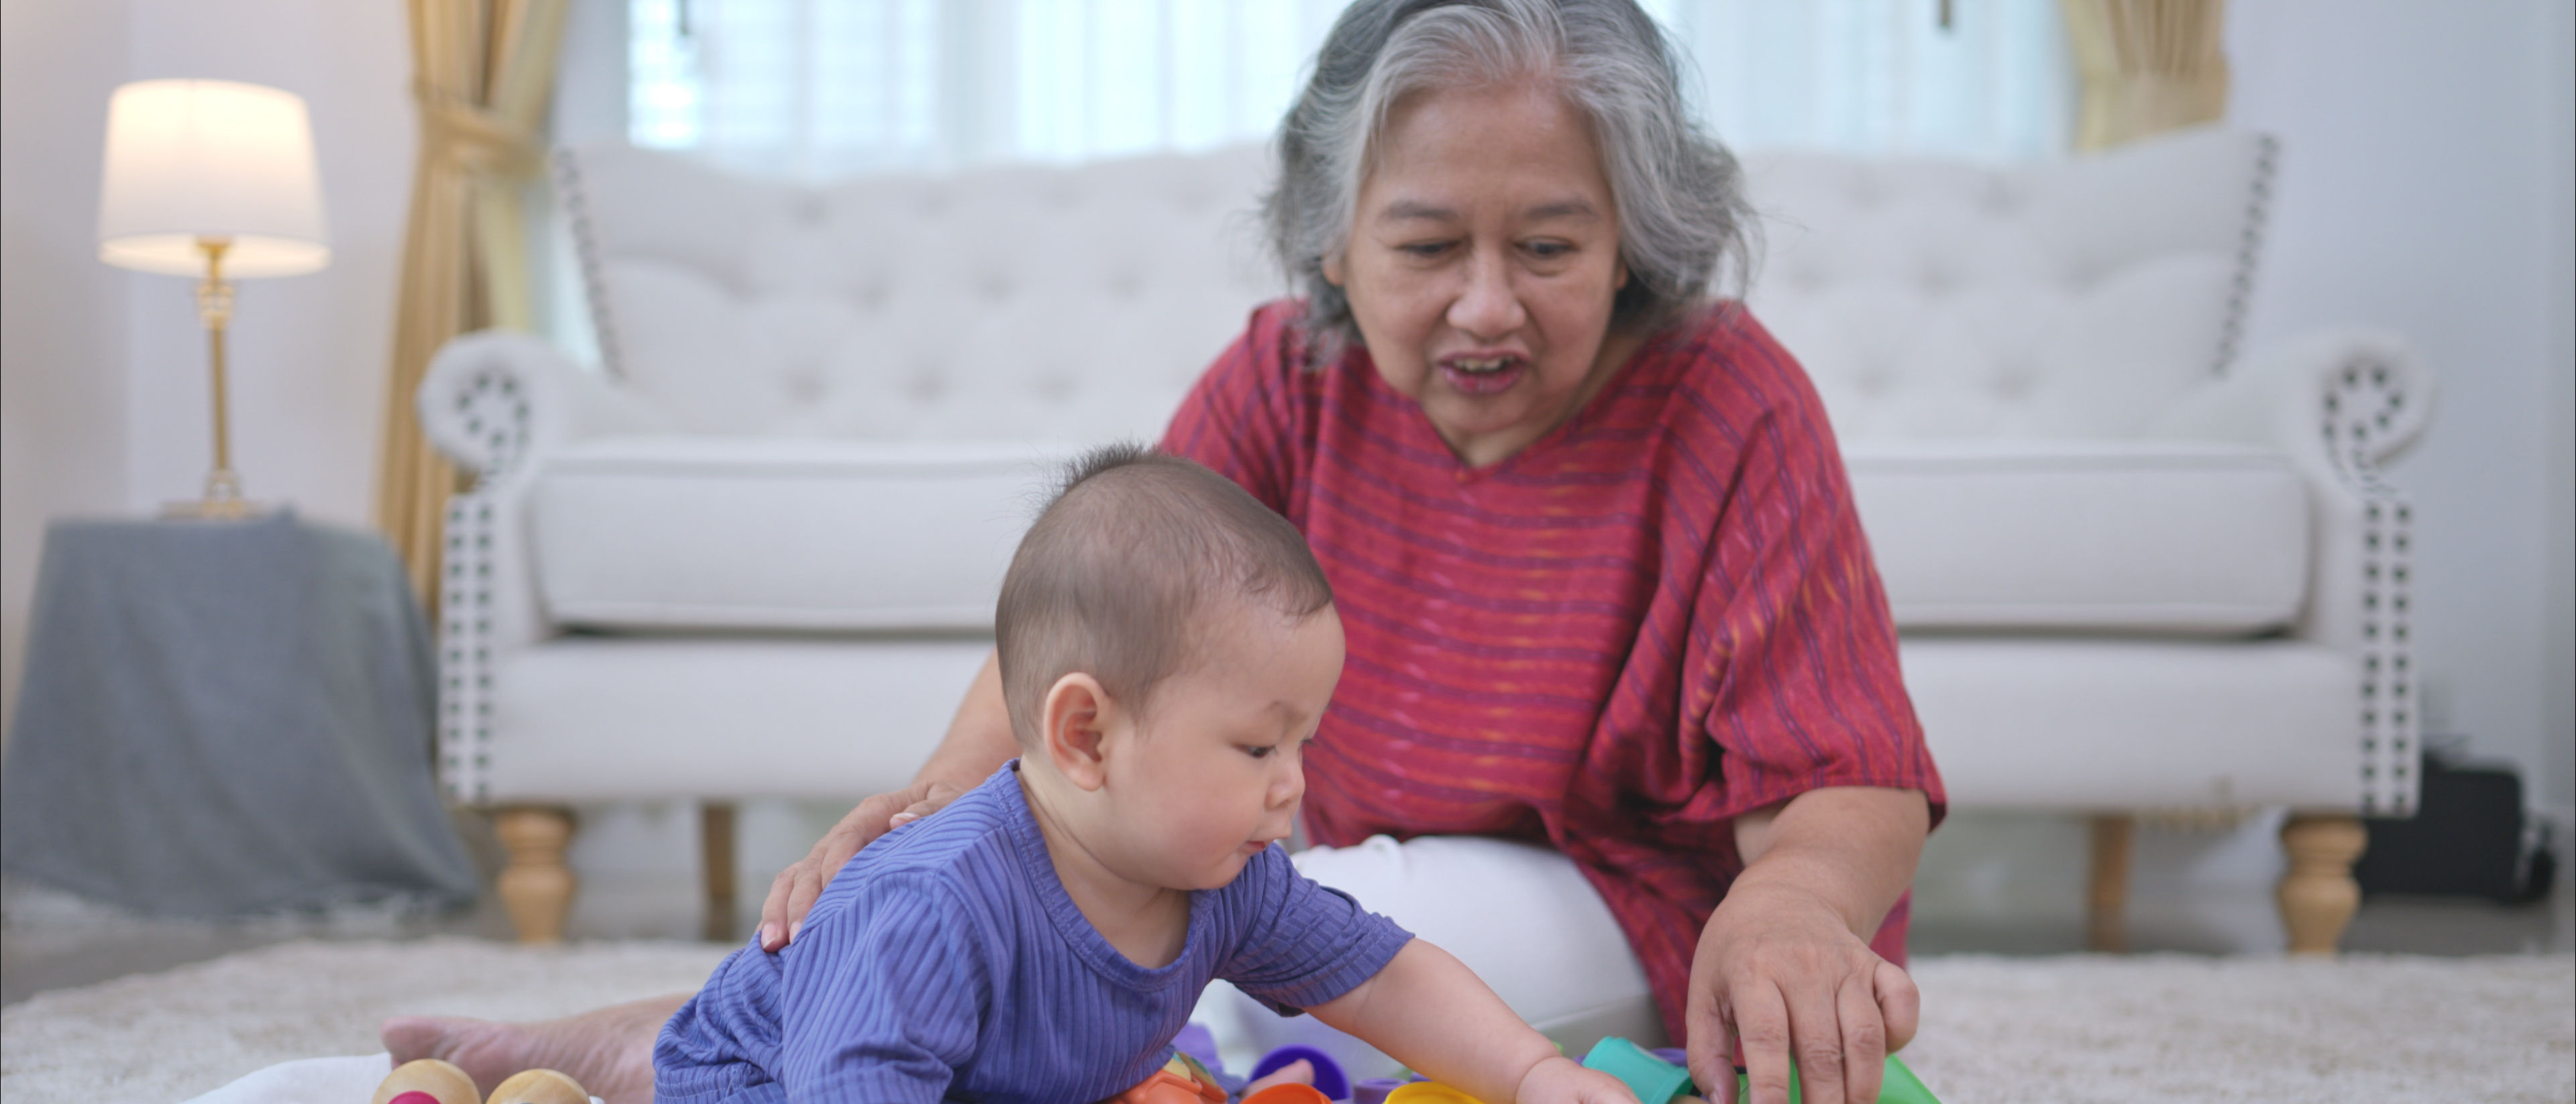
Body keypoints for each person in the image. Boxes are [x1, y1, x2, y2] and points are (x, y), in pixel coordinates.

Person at [385, 3, 1943, 1103]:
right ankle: (702, 1041)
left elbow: (1847, 762)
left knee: (1247, 940)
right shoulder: (1288, 372)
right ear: (1334, 243)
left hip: (1606, 893)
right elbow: (1110, 625)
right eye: (1423, 246)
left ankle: (699, 1056)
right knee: (1071, 889)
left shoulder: (1728, 399)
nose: (1485, 304)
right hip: (1275, 851)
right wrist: (932, 812)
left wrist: (1795, 903)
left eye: (1547, 247)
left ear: (1634, 240)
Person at [652, 447, 1637, 1103]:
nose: (1292, 785)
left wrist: (1532, 1072)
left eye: (1304, 744)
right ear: (1085, 734)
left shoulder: (1225, 877)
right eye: (1258, 748)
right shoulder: (931, 903)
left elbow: (1381, 976)